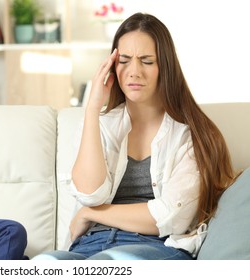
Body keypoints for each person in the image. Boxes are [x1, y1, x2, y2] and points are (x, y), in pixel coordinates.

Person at [33, 12, 238, 260]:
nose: (134, 71)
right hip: (89, 243)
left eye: (147, 61)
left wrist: (92, 214)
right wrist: (92, 109)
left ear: (165, 66)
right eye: (125, 60)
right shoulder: (101, 124)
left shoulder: (193, 134)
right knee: (43, 264)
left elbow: (170, 215)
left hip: (154, 245)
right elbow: (90, 194)